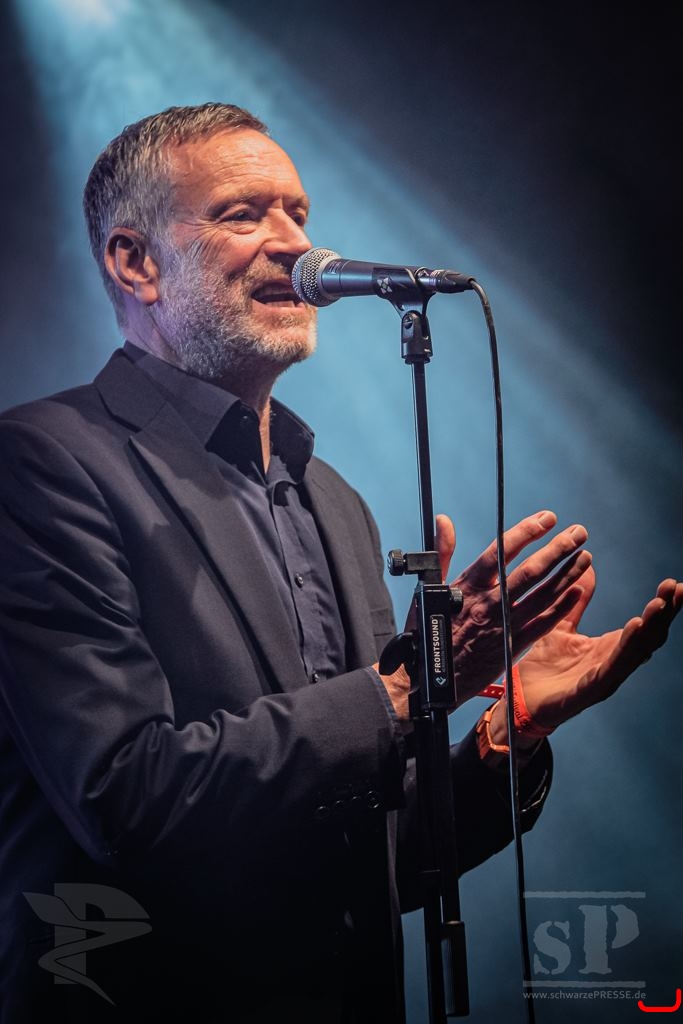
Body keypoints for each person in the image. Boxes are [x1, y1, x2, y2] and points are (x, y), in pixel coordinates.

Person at [0, 103, 679, 1024]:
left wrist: (503, 733)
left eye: (300, 213)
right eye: (244, 214)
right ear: (136, 262)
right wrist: (407, 691)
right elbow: (127, 798)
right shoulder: (42, 462)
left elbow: (373, 861)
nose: (294, 243)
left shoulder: (334, 500)